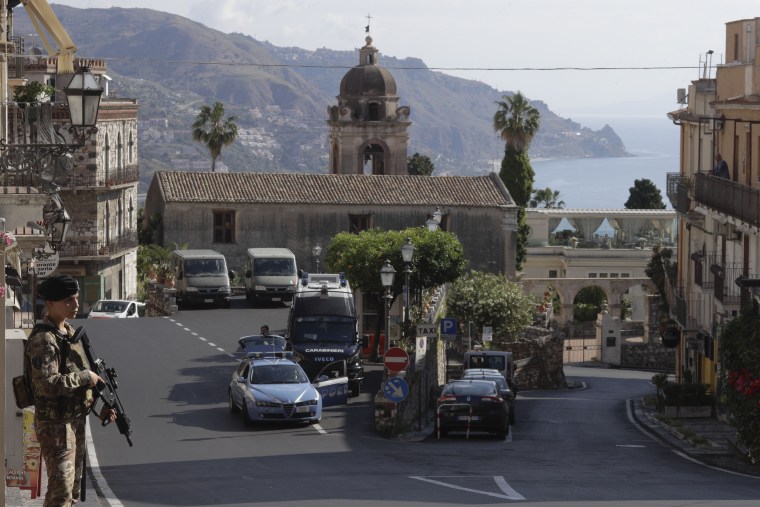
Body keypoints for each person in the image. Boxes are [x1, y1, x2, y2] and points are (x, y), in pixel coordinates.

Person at [26, 274, 116, 507]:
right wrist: (86, 377)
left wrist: (101, 406)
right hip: (55, 426)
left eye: (76, 298)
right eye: (68, 300)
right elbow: (47, 384)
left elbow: (83, 379)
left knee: (71, 493)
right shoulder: (45, 339)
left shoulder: (69, 333)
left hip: (74, 422)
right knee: (61, 494)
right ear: (50, 303)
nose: (76, 304)